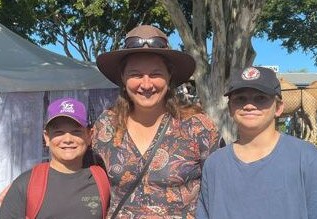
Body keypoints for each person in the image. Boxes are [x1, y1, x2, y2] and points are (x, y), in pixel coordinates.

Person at [92, 25, 221, 218]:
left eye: (155, 74)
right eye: (136, 74)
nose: (146, 84)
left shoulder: (197, 127)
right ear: (123, 77)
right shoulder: (106, 126)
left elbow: (219, 191)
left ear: (169, 76)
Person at [196, 66, 317, 219]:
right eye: (240, 99)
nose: (249, 105)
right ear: (230, 108)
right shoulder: (214, 165)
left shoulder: (306, 158)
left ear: (279, 108)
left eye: (260, 98)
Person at [0, 97, 109, 219]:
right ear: (46, 137)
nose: (67, 140)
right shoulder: (26, 184)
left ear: (89, 136)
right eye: (59, 132)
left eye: (76, 132)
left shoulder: (103, 180)